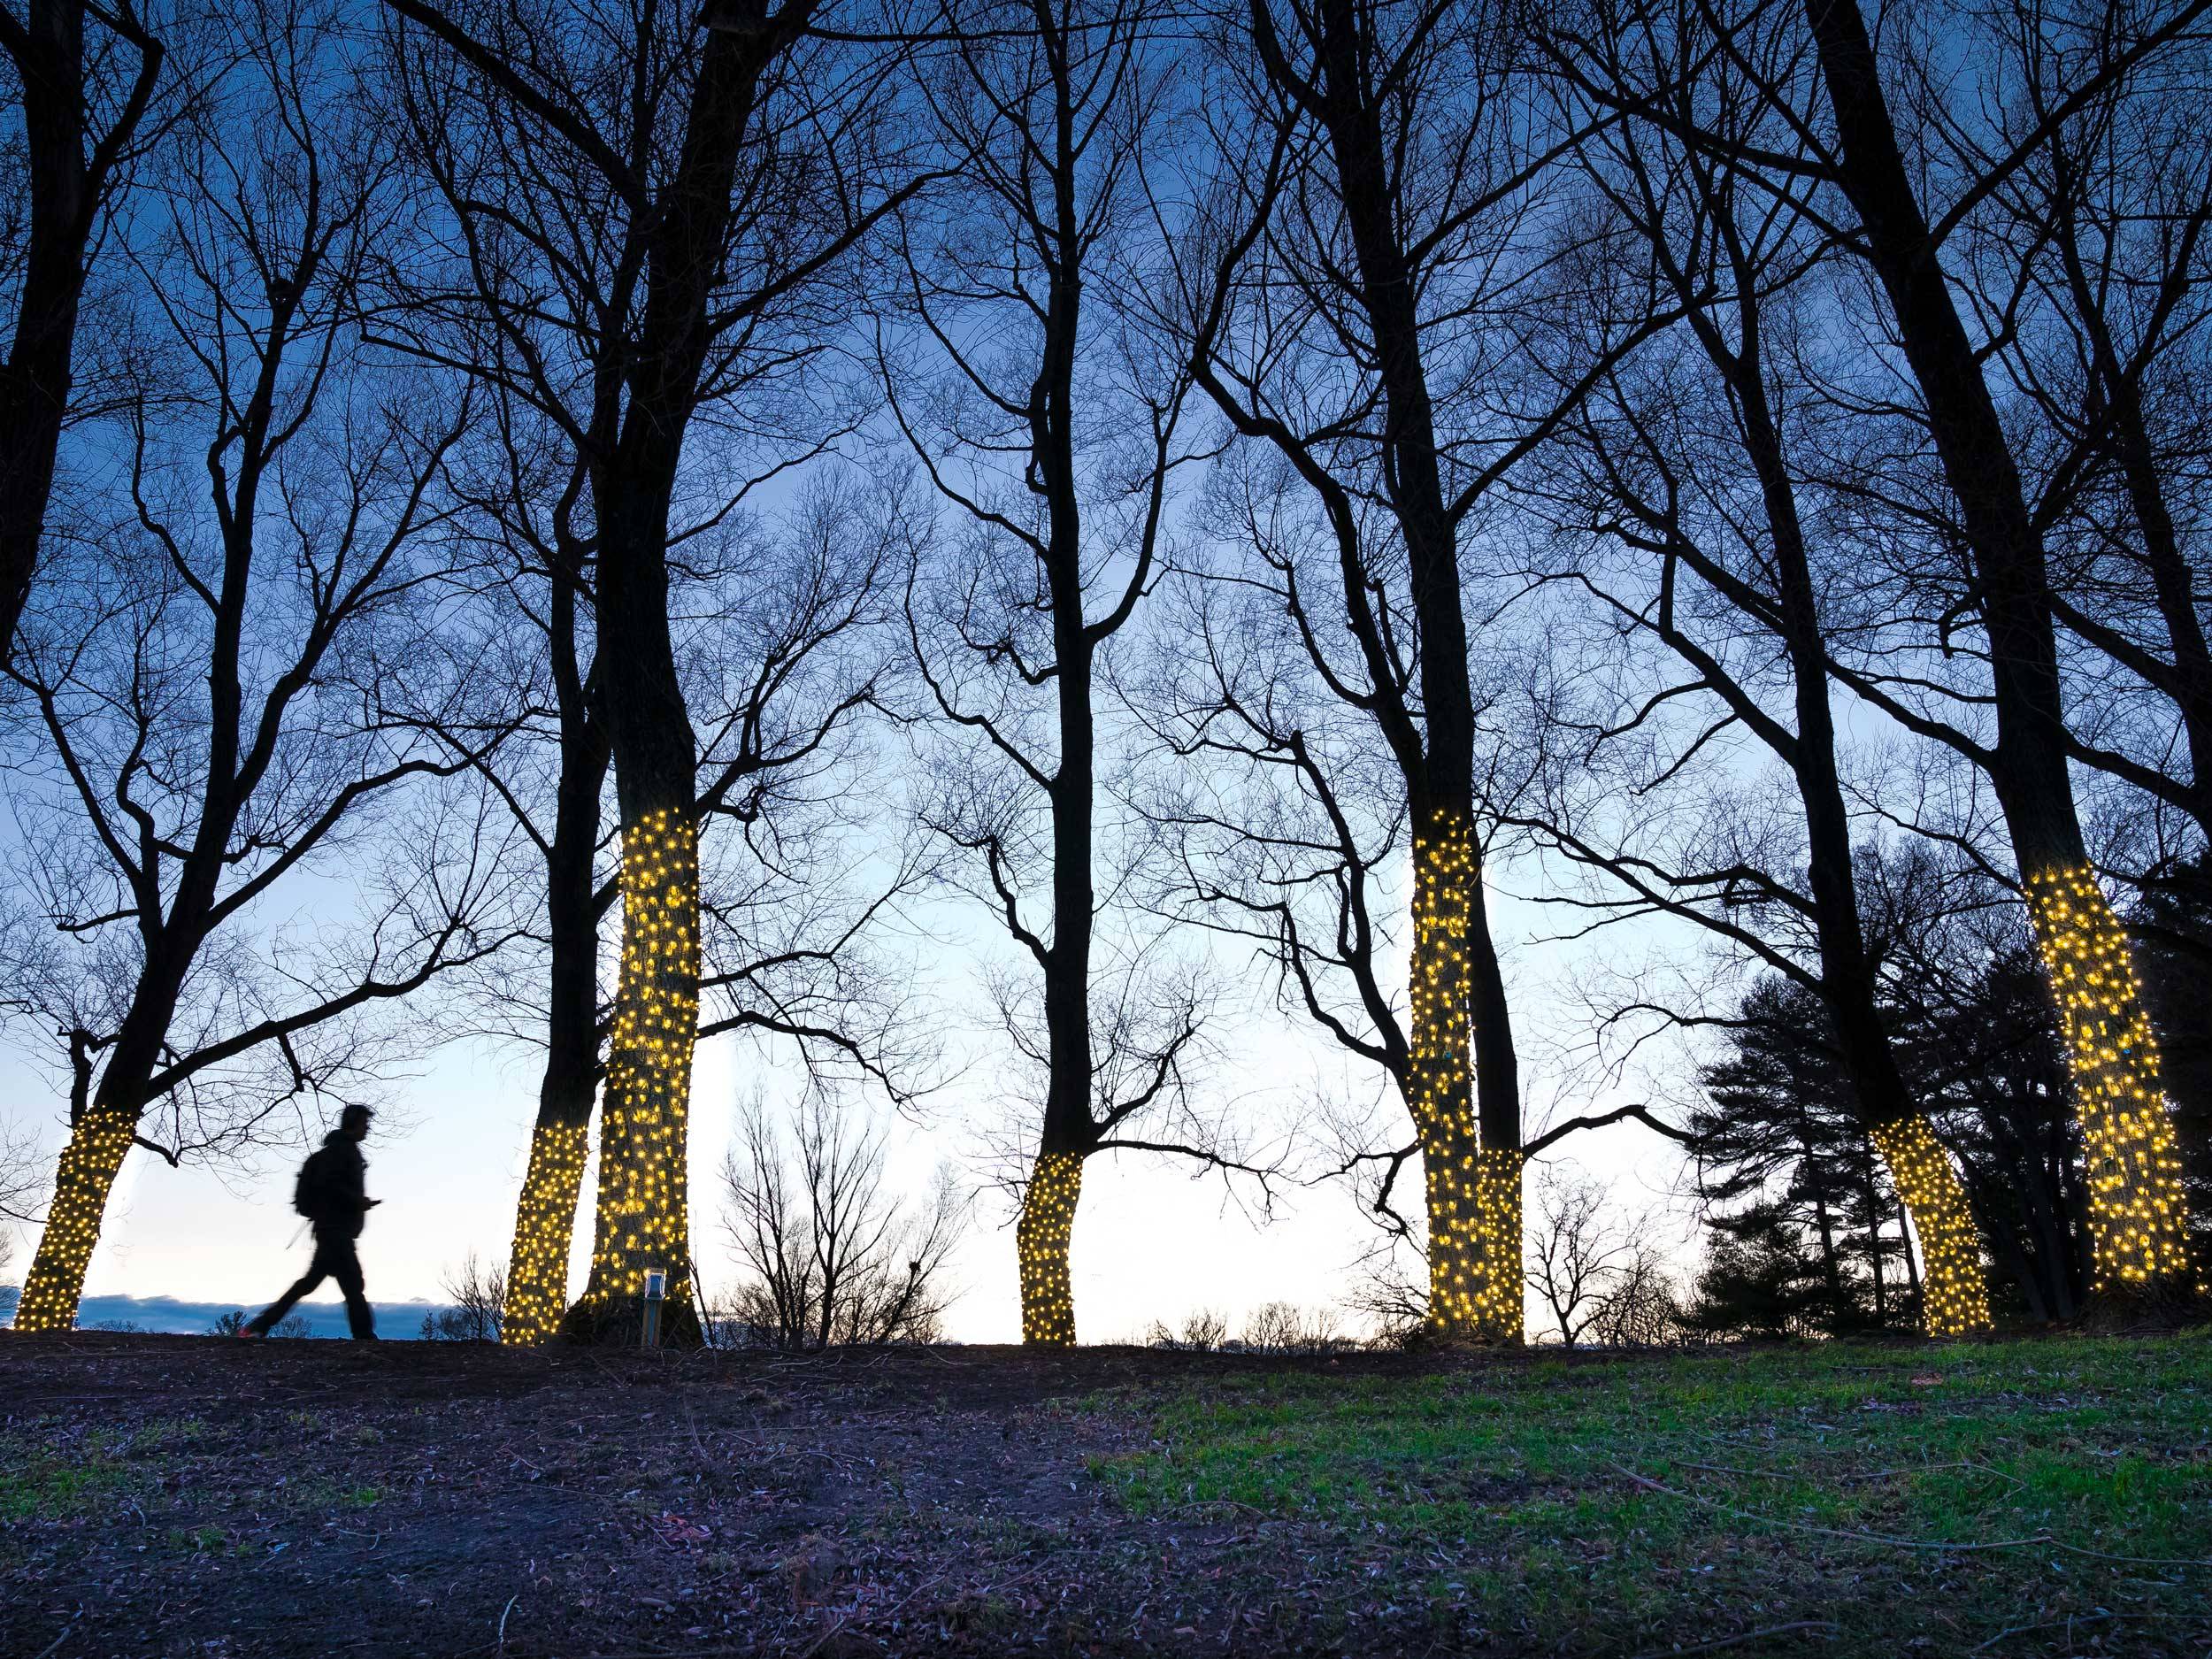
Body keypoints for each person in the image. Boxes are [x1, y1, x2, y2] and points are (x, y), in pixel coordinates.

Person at [242, 1103, 381, 1340]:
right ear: (355, 1124)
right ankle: (364, 1336)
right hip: (335, 1230)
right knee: (352, 1283)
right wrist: (357, 1201)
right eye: (365, 1124)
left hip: (330, 1229)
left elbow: (331, 1188)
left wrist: (356, 1201)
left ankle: (259, 1326)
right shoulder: (343, 1152)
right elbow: (333, 1188)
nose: (367, 1129)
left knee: (311, 1284)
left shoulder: (336, 1152)